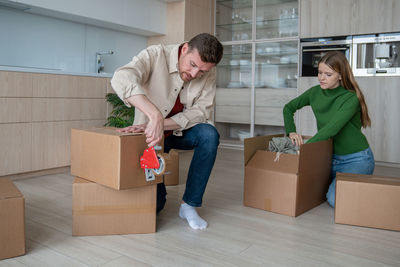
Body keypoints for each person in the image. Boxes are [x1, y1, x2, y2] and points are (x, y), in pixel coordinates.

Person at [111, 33, 223, 229]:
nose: (195, 74)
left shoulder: (208, 72)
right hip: (150, 137)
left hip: (180, 132)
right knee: (155, 205)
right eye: (192, 65)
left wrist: (161, 122)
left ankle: (189, 205)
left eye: (202, 71)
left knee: (209, 135)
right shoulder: (155, 55)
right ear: (185, 48)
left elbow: (201, 111)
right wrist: (153, 116)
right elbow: (121, 77)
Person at [282, 51, 375, 208]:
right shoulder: (314, 93)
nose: (321, 78)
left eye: (328, 74)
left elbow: (332, 129)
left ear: (340, 76)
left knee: (333, 199)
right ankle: (346, 183)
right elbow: (288, 108)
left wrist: (305, 148)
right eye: (319, 72)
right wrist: (291, 131)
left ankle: (363, 186)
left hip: (356, 159)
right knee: (303, 190)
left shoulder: (350, 98)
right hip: (328, 159)